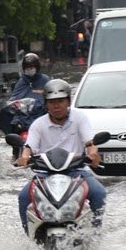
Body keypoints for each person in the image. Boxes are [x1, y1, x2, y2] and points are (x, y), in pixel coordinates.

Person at [14, 79, 106, 232]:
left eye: (60, 101)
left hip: (76, 172)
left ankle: (95, 235)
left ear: (68, 101)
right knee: (23, 198)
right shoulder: (38, 124)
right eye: (52, 102)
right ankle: (30, 239)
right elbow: (29, 147)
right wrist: (24, 158)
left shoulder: (80, 118)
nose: (56, 106)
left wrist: (93, 155)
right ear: (46, 104)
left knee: (99, 193)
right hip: (44, 173)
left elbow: (90, 143)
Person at [7, 53, 50, 131]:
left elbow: (50, 99)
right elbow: (13, 99)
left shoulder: (45, 80)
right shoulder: (22, 81)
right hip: (23, 118)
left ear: (37, 67)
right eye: (27, 68)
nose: (29, 70)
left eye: (31, 67)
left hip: (41, 117)